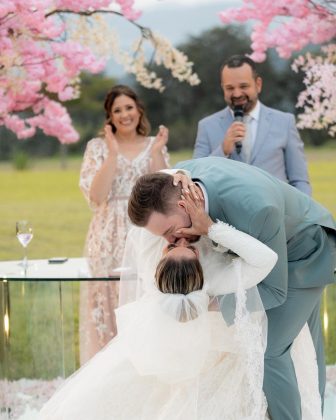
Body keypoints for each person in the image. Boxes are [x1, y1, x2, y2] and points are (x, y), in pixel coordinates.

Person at [38, 195, 322, 419]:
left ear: (163, 256)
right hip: (218, 343)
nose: (182, 239)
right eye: (185, 247)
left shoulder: (158, 276)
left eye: (176, 245)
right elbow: (263, 259)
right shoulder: (218, 281)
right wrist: (212, 229)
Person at [127, 159, 336, 420]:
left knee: (271, 350)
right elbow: (168, 174)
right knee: (305, 346)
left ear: (184, 205)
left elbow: (275, 292)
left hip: (305, 255)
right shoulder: (183, 181)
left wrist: (208, 302)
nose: (171, 241)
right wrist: (179, 172)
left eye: (170, 231)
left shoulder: (258, 209)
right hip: (272, 245)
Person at [78, 84, 169, 363]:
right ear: (110, 116)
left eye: (129, 107)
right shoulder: (97, 147)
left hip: (144, 233)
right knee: (105, 303)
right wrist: (113, 154)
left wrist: (156, 152)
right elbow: (96, 196)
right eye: (117, 110)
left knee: (142, 298)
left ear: (139, 110)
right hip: (107, 236)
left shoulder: (154, 144)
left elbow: (161, 195)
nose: (124, 114)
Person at [193, 54, 311, 195]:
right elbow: (196, 177)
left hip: (277, 214)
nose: (237, 94)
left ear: (258, 84)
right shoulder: (206, 126)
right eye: (230, 88)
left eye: (243, 86)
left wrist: (297, 216)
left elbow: (300, 180)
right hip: (225, 216)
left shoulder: (284, 122)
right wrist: (223, 150)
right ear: (222, 88)